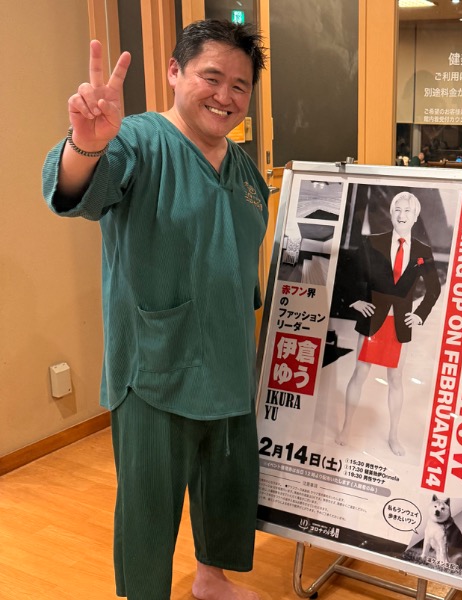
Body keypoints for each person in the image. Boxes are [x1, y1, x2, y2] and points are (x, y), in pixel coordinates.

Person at [41, 20, 271, 600]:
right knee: (148, 500)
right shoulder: (138, 141)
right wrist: (86, 144)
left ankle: (212, 580)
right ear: (174, 72)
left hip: (227, 357)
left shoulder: (246, 170)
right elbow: (76, 192)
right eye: (211, 77)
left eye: (240, 86)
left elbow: (242, 256)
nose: (225, 96)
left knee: (226, 483)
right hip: (155, 362)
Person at [335, 191, 441, 456]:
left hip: (400, 323)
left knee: (396, 378)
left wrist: (420, 314)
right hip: (374, 318)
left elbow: (434, 288)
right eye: (398, 210)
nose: (402, 216)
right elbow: (348, 271)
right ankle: (346, 427)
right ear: (391, 213)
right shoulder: (373, 242)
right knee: (360, 372)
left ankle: (393, 435)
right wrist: (355, 301)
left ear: (415, 217)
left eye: (408, 211)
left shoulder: (422, 251)